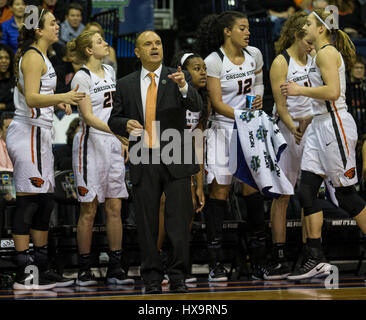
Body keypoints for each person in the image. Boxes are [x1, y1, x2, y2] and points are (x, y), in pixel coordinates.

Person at [108, 30, 204, 294]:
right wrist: (124, 123)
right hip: (143, 156)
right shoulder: (125, 83)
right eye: (148, 44)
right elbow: (113, 119)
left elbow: (198, 108)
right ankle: (151, 277)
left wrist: (185, 86)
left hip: (176, 154)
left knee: (178, 223)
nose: (154, 47)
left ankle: (178, 275)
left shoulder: (177, 76)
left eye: (158, 43)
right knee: (147, 223)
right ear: (137, 52)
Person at [281, 9, 366, 280]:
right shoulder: (318, 54)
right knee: (306, 190)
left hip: (335, 127)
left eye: (308, 22)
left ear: (320, 29)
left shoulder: (327, 53)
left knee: (346, 195)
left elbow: (333, 92)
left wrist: (299, 91)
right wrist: (308, 118)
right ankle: (315, 258)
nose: (304, 26)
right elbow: (325, 101)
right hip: (320, 124)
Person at [6, 7, 85, 290]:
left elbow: (40, 93)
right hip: (27, 132)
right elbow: (29, 97)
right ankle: (24, 274)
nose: (57, 27)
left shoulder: (43, 58)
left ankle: (40, 269)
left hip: (40, 134)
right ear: (38, 30)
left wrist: (57, 101)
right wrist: (63, 95)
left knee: (45, 202)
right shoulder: (31, 57)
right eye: (52, 23)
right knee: (28, 203)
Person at [194, 11, 272, 280]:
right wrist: (243, 113)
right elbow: (216, 103)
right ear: (227, 31)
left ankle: (258, 260)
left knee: (253, 191)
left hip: (249, 128)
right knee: (220, 192)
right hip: (223, 130)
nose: (247, 32)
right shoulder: (213, 61)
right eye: (242, 28)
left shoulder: (255, 54)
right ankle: (216, 262)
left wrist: (257, 101)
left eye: (248, 27)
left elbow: (259, 85)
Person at [68, 29, 134, 286]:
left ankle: (115, 267)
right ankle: (84, 269)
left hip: (112, 143)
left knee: (115, 207)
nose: (105, 44)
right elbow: (88, 117)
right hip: (89, 144)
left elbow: (114, 111)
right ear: (88, 50)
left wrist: (120, 137)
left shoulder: (110, 71)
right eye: (99, 42)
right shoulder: (80, 77)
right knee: (89, 208)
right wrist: (119, 132)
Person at [268, 11, 314, 279]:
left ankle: (311, 253)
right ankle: (280, 255)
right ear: (297, 35)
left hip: (311, 131)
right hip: (287, 130)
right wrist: (293, 127)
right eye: (308, 41)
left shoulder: (315, 59)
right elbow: (280, 105)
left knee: (309, 194)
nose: (311, 46)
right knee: (283, 195)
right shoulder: (280, 62)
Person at [157, 51, 209, 284]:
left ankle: (177, 264)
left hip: (186, 158)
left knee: (187, 209)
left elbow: (197, 144)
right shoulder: (167, 93)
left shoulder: (201, 101)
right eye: (196, 68)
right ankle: (156, 259)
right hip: (162, 154)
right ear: (181, 71)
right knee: (163, 205)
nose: (202, 72)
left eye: (203, 68)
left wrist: (198, 185)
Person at [0, 44, 15, 111]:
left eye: (7, 58)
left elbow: (21, 103)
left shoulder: (15, 79)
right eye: (0, 58)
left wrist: (3, 106)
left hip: (12, 116)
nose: (4, 61)